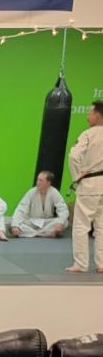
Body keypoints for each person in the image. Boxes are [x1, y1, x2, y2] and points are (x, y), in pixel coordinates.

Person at [66, 101, 103, 274]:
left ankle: (81, 264)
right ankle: (101, 264)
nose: (88, 116)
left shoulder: (88, 134)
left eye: (90, 113)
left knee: (81, 225)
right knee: (102, 226)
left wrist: (78, 175)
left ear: (98, 115)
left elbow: (73, 156)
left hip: (90, 184)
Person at [10, 170, 68, 239]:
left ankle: (33, 233)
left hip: (46, 223)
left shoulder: (54, 192)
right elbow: (21, 209)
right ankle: (43, 233)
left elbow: (63, 209)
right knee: (16, 224)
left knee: (65, 222)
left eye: (41, 180)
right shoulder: (31, 192)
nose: (37, 182)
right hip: (32, 222)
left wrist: (60, 223)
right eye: (37, 180)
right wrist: (15, 225)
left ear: (48, 183)